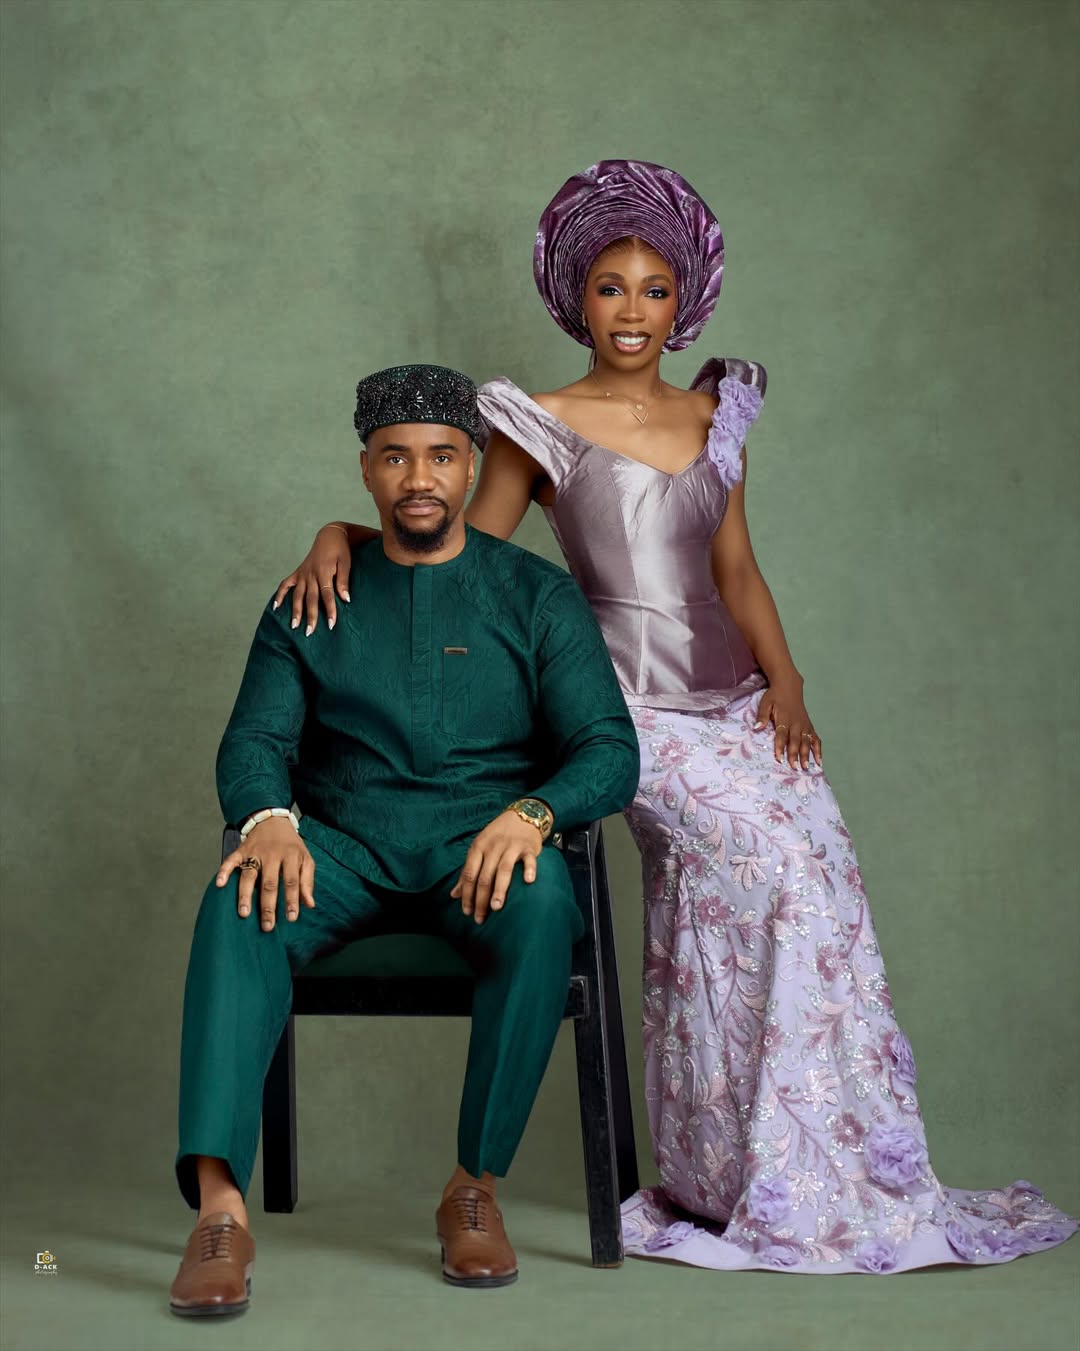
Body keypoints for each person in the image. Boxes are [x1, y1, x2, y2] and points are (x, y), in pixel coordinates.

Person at [275, 163, 1076, 1273]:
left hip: (741, 703)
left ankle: (829, 1162)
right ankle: (738, 1168)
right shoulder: (540, 424)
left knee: (823, 874)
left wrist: (786, 681)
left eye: (655, 289)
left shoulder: (717, 412)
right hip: (623, 716)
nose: (634, 312)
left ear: (684, 298)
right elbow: (470, 566)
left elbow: (737, 570)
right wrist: (336, 532)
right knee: (769, 867)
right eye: (611, 288)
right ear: (576, 296)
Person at [170, 363, 640, 1315]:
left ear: (471, 468)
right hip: (339, 849)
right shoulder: (313, 594)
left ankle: (474, 1186)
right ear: (366, 471)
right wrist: (267, 820)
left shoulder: (536, 598)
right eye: (395, 458)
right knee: (235, 896)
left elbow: (610, 750)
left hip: (482, 853)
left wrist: (532, 815)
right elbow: (254, 738)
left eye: (440, 455)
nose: (418, 477)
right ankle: (221, 1210)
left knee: (547, 899)